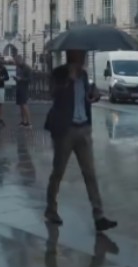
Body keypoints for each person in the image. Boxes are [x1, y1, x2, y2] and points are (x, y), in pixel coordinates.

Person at [43, 49, 117, 233]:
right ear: (72, 55)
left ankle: (98, 215)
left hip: (83, 127)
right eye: (80, 54)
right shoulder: (59, 73)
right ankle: (51, 209)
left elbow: (85, 98)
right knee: (58, 171)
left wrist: (93, 95)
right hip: (64, 129)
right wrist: (68, 79)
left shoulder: (83, 75)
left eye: (84, 54)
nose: (83, 57)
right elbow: (53, 94)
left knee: (90, 173)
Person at [14, 55, 33, 128]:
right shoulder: (18, 67)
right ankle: (23, 121)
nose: (15, 63)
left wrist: (21, 79)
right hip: (19, 87)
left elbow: (30, 79)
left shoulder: (27, 68)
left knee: (24, 104)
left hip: (24, 88)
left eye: (16, 62)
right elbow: (18, 76)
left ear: (19, 61)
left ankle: (29, 122)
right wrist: (16, 79)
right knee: (21, 105)